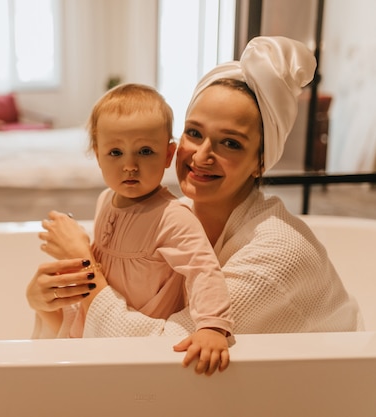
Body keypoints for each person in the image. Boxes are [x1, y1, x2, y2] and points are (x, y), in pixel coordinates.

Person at [26, 35, 362, 369]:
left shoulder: (278, 253)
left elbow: (164, 350)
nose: (201, 156)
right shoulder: (175, 216)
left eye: (230, 143)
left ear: (261, 161)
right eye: (194, 133)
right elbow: (125, 306)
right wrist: (47, 306)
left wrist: (84, 263)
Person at [29, 83, 235, 375]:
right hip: (95, 331)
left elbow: (203, 270)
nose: (130, 165)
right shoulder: (105, 200)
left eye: (145, 151)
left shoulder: (173, 216)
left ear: (168, 155)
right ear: (97, 155)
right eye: (115, 152)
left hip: (140, 347)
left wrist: (213, 326)